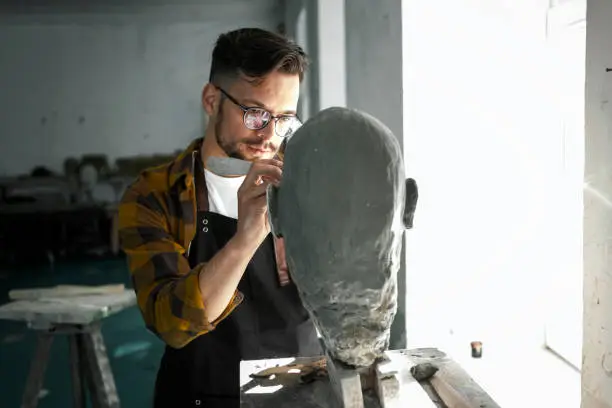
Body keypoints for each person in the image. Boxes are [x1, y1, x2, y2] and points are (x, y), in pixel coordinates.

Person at [118, 27, 321, 408]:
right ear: (212, 100)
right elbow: (171, 323)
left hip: (300, 393)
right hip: (200, 396)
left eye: (284, 119)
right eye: (256, 114)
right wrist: (247, 237)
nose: (269, 136)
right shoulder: (154, 196)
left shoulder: (306, 186)